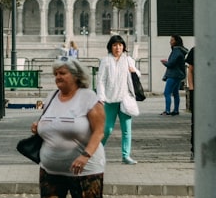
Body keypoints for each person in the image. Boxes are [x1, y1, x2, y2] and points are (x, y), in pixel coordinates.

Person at [32, 56, 106, 198]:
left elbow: (99, 132)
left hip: (85, 172)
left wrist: (85, 156)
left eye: (62, 73)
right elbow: (50, 121)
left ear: (76, 76)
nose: (58, 77)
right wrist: (38, 126)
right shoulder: (51, 97)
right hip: (50, 170)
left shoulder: (89, 97)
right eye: (56, 74)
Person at [96, 34, 140, 164]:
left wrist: (133, 71)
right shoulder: (106, 61)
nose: (118, 48)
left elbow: (137, 75)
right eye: (115, 45)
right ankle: (97, 152)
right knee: (107, 129)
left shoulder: (128, 60)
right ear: (110, 47)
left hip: (125, 99)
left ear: (124, 47)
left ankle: (126, 156)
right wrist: (101, 97)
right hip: (109, 100)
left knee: (126, 130)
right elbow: (101, 80)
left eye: (120, 45)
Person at [160, 34, 187, 116]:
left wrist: (165, 62)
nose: (170, 42)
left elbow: (171, 64)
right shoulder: (180, 51)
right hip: (178, 75)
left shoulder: (176, 51)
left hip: (173, 75)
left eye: (172, 40)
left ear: (176, 41)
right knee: (175, 93)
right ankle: (176, 110)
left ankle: (167, 110)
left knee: (167, 92)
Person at [185, 46, 196, 160]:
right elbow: (190, 69)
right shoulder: (195, 51)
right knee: (196, 122)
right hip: (197, 91)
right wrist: (191, 88)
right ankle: (194, 150)